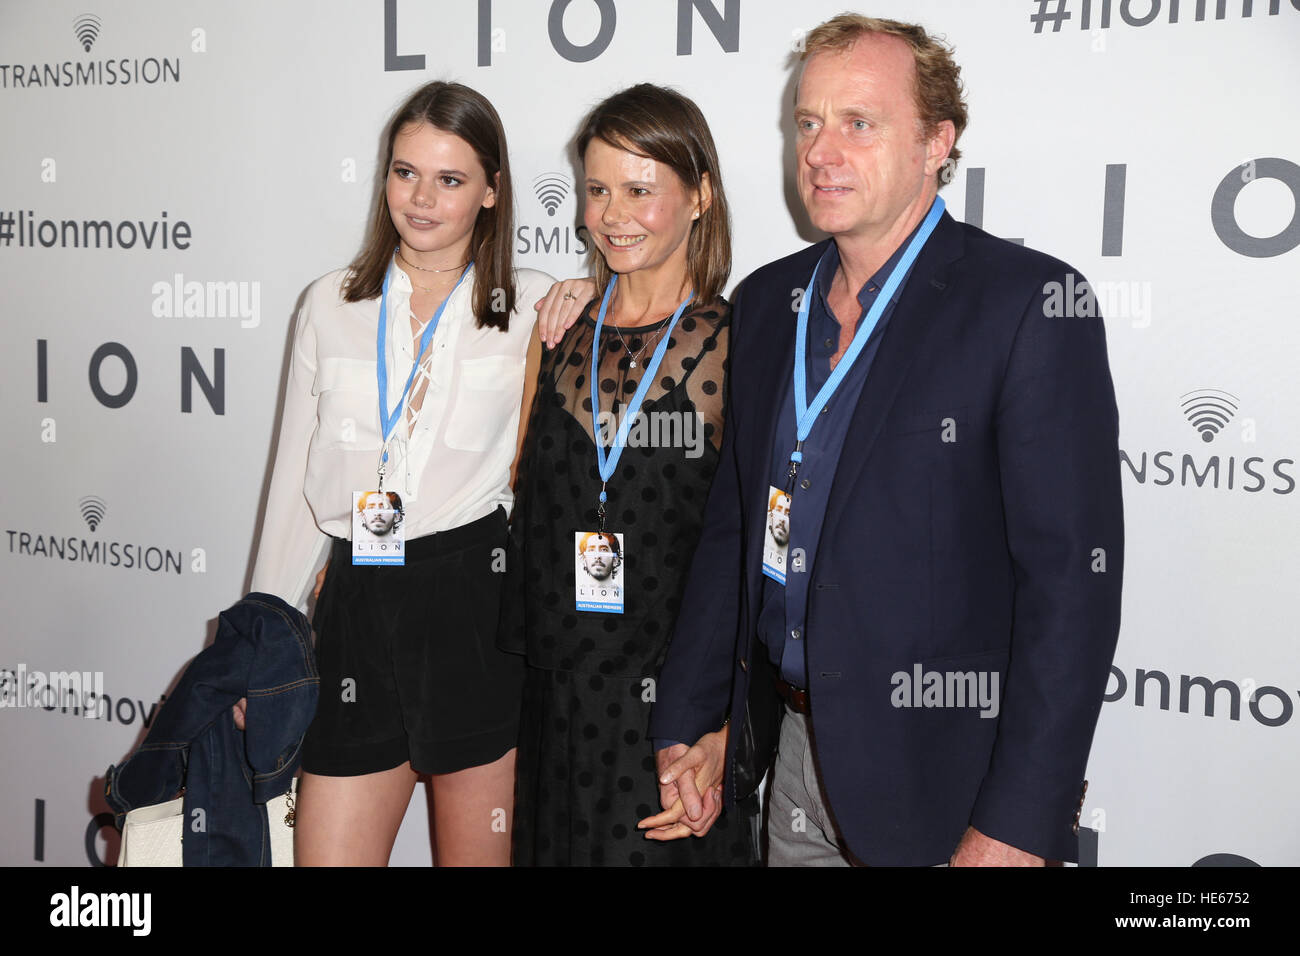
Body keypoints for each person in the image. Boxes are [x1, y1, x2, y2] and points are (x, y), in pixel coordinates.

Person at [648, 14, 1124, 866]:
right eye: (808, 123)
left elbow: (1070, 593)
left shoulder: (1028, 307)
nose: (821, 152)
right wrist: (698, 717)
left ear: (937, 141)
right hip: (793, 756)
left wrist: (1019, 820)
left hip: (949, 789)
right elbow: (736, 527)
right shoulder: (767, 303)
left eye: (858, 124)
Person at [249, 80, 587, 866]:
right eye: (406, 173)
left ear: (493, 191)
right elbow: (293, 494)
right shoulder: (328, 304)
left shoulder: (538, 305)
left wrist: (591, 293)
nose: (422, 199)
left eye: (450, 179)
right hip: (356, 605)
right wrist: (265, 637)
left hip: (474, 603)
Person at [503, 83, 757, 866]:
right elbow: (520, 502)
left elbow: (750, 560)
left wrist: (720, 729)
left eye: (640, 190)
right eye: (597, 189)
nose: (613, 214)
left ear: (700, 194)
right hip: (555, 709)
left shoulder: (739, 344)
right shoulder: (555, 330)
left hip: (669, 725)